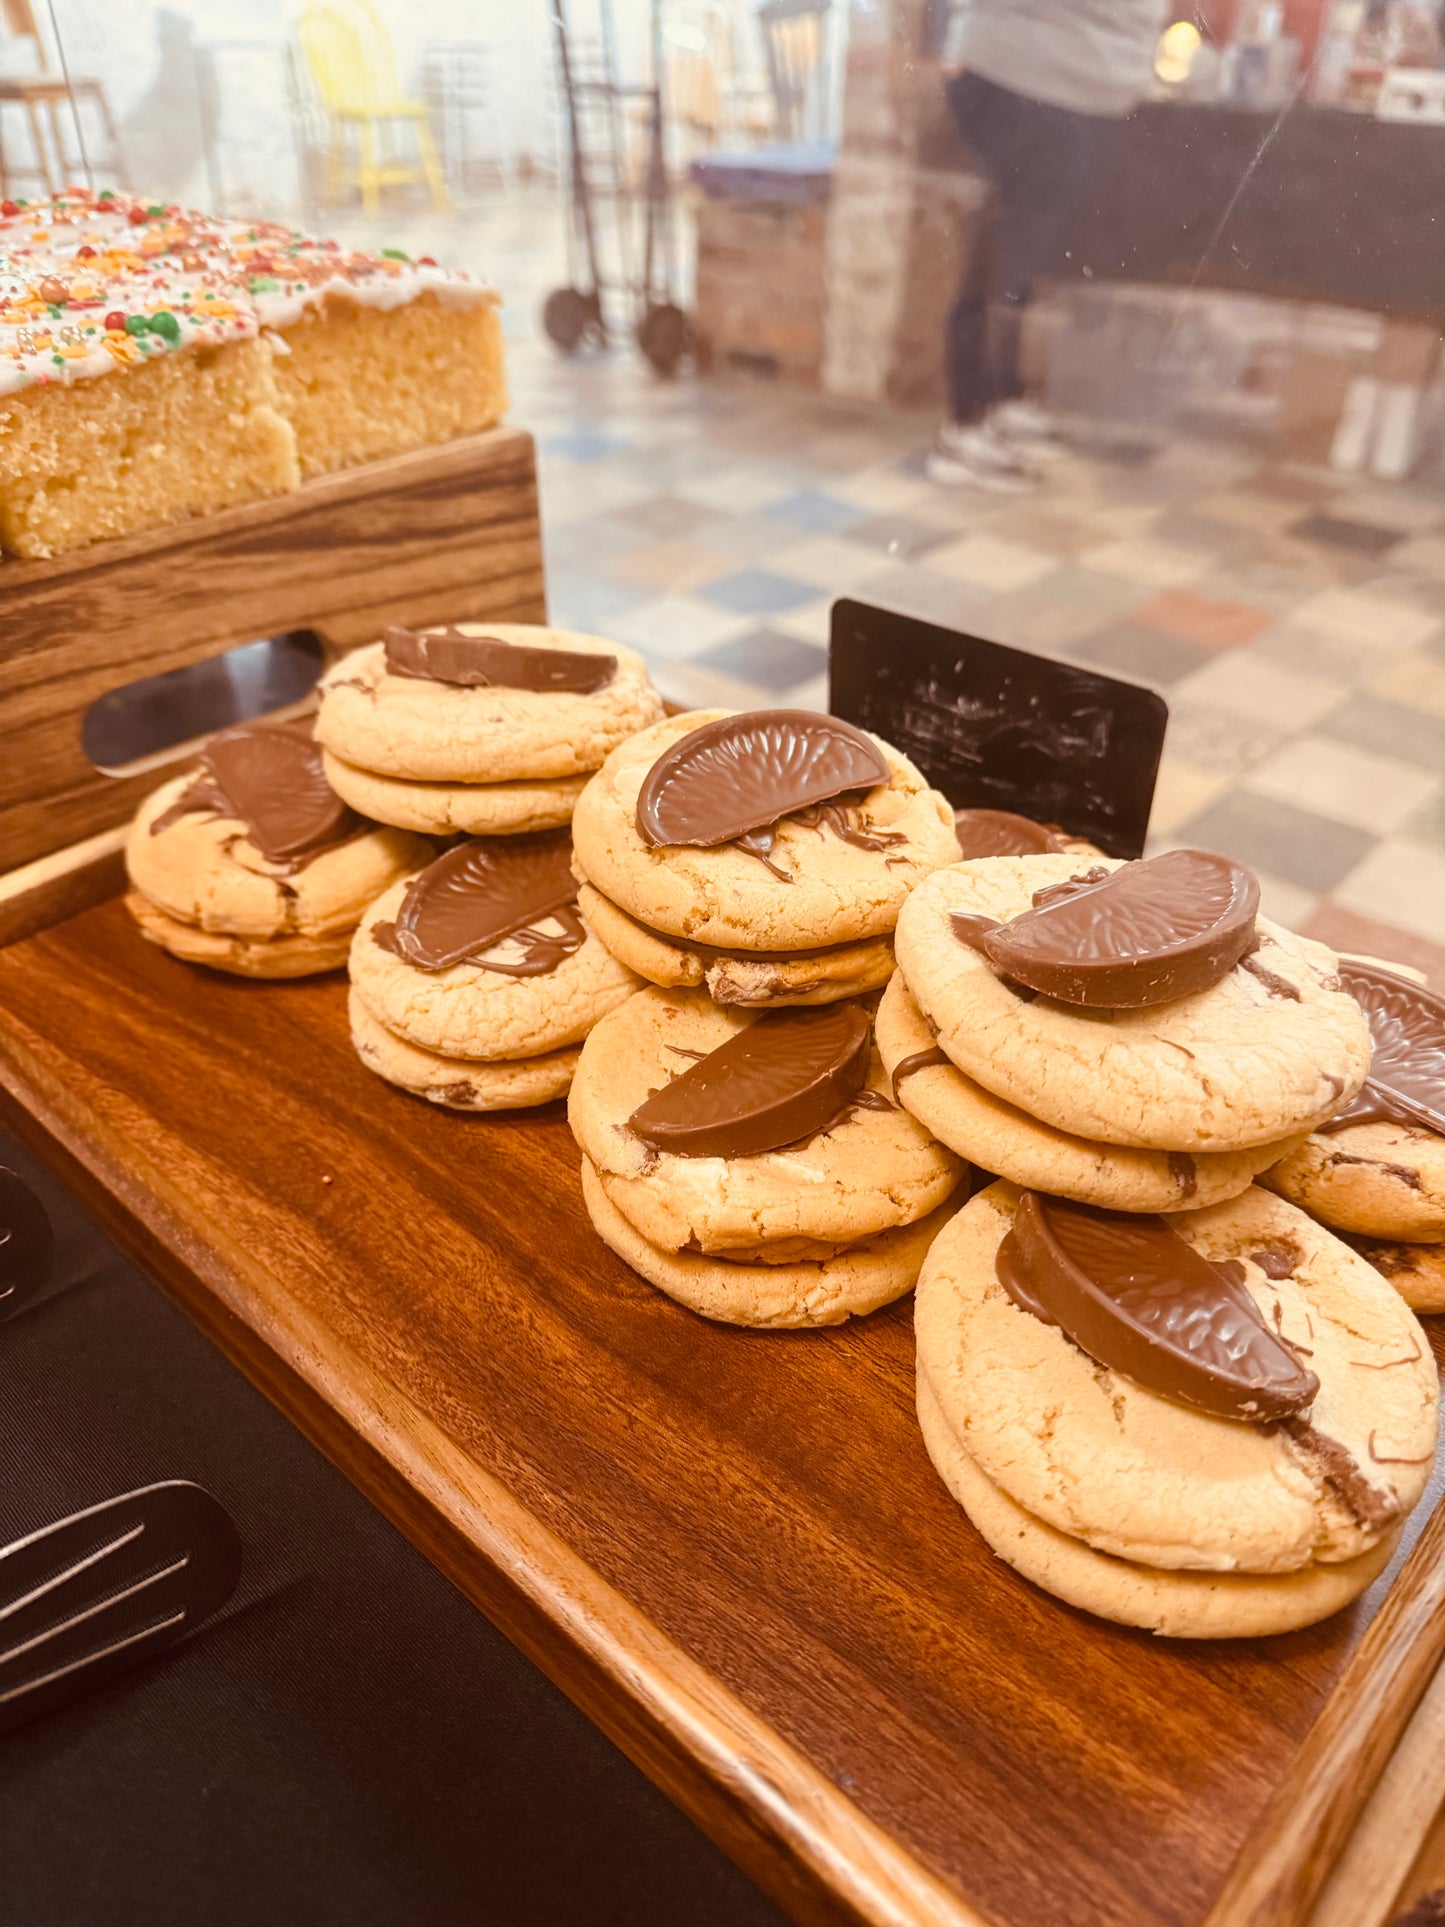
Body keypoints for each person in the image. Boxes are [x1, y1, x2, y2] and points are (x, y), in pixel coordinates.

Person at [928, 0, 1168, 492]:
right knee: (1000, 250)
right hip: (1018, 78)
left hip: (1075, 88)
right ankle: (964, 426)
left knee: (1025, 253)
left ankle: (998, 399)